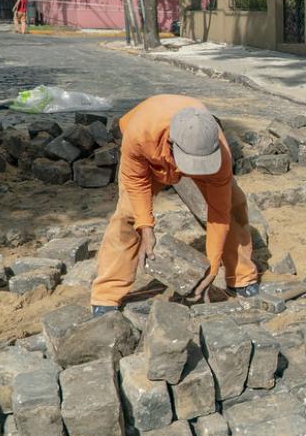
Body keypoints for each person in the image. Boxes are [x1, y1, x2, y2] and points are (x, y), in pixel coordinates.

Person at [90, 95, 258, 317]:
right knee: (127, 217)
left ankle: (241, 276)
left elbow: (219, 212)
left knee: (234, 205)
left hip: (192, 153)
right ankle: (107, 295)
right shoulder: (140, 134)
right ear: (171, 143)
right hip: (149, 159)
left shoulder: (219, 152)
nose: (196, 170)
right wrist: (146, 227)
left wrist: (213, 266)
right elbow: (136, 182)